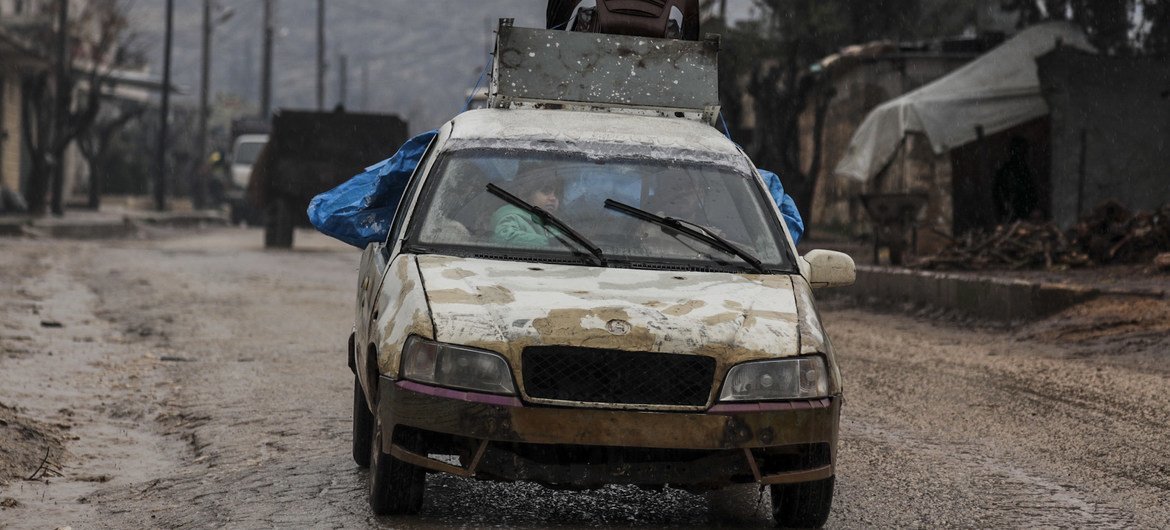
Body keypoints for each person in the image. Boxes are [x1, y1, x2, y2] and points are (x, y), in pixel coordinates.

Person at [491, 168, 564, 248]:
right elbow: (504, 236)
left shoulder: (556, 224)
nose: (553, 198)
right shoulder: (512, 216)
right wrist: (548, 243)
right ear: (525, 194)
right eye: (545, 191)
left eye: (557, 193)